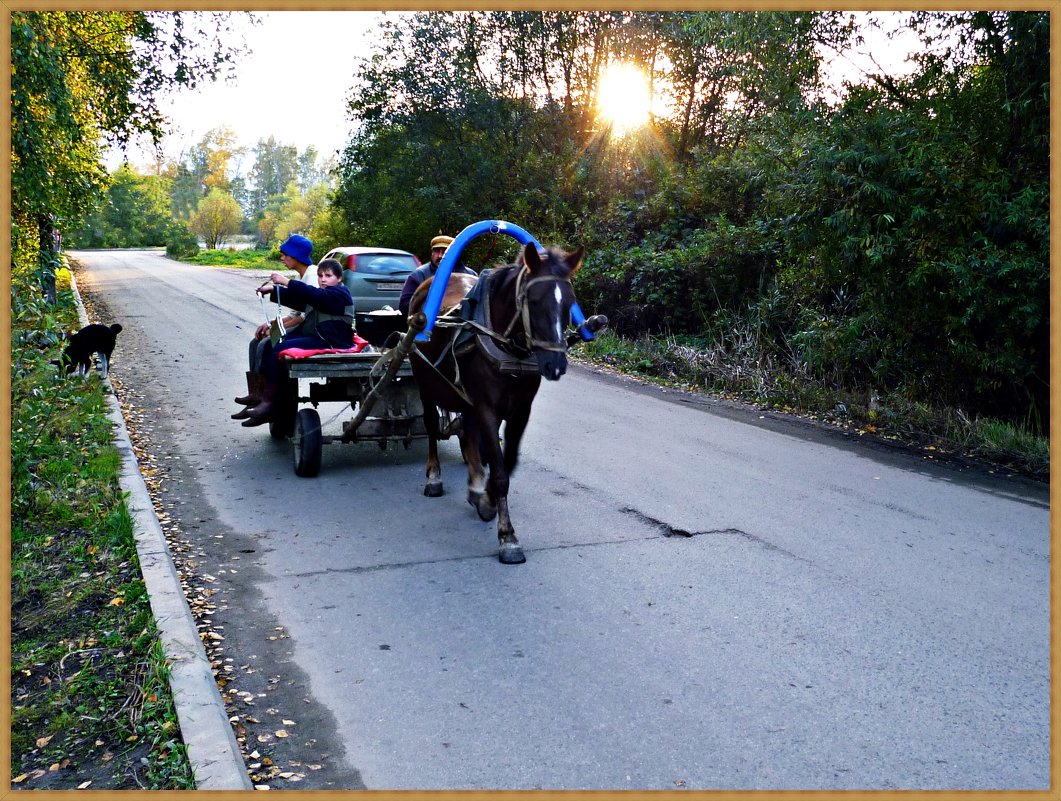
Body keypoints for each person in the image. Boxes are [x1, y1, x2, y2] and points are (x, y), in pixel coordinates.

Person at [241, 259, 355, 427]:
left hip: (331, 341)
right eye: (320, 275)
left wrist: (286, 281)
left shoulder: (339, 293)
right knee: (271, 343)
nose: (323, 279)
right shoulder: (323, 293)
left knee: (279, 349)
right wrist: (273, 289)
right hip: (318, 337)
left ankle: (269, 403)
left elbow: (313, 295)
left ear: (339, 279)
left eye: (328, 276)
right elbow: (300, 300)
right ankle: (260, 396)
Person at [231, 234, 318, 420]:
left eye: (285, 254)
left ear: (296, 256)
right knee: (256, 342)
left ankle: (268, 402)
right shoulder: (302, 276)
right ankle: (256, 396)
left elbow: (303, 317)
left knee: (266, 345)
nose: (282, 258)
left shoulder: (312, 276)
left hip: (311, 328)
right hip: (302, 325)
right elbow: (295, 313)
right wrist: (270, 324)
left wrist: (277, 331)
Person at [398, 234, 477, 317]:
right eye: (436, 251)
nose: (440, 256)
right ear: (432, 253)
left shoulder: (471, 275)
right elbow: (405, 306)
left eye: (445, 251)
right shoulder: (419, 275)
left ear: (455, 254)